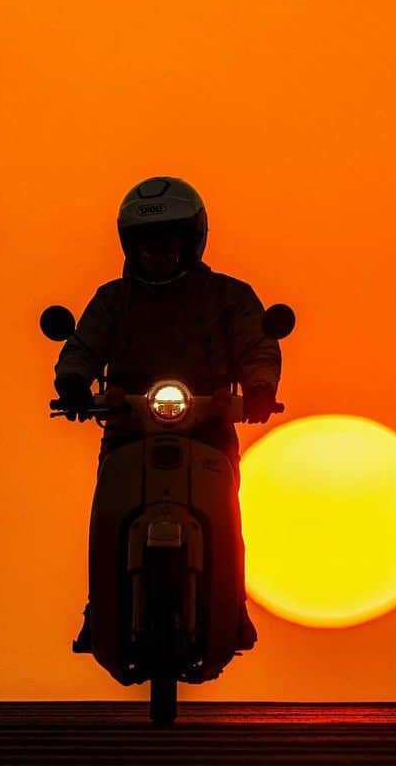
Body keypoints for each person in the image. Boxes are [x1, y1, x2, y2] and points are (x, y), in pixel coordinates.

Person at [54, 176, 282, 654]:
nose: (157, 251)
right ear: (129, 246)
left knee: (227, 521)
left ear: (190, 241)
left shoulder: (229, 297)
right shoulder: (112, 300)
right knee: (107, 516)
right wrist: (73, 382)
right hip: (127, 433)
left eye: (167, 240)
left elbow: (256, 343)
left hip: (208, 431)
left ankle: (233, 609)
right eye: (146, 242)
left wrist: (260, 388)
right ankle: (100, 609)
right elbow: (83, 345)